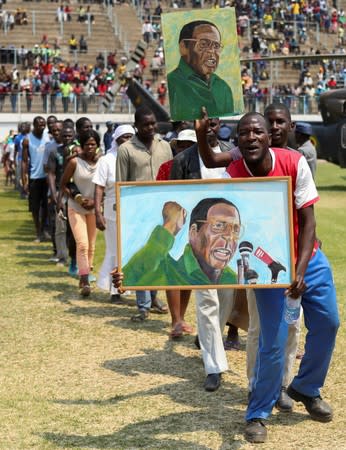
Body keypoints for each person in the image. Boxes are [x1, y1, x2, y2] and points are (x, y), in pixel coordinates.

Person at [195, 109, 339, 444]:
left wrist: (299, 271)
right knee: (272, 343)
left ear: (269, 136)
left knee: (328, 322)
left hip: (308, 258)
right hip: (268, 266)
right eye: (244, 132)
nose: (251, 137)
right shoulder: (232, 175)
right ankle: (258, 413)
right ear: (239, 140)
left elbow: (309, 222)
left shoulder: (293, 162)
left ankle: (306, 387)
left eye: (257, 131)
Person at [116, 106, 171, 321]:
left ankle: (154, 296)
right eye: (145, 124)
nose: (150, 127)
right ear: (136, 126)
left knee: (158, 253)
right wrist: (124, 212)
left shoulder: (165, 146)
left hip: (162, 209)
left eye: (153, 123)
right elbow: (121, 183)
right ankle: (143, 305)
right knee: (141, 254)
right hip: (137, 210)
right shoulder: (126, 149)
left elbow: (172, 175)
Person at [93, 125, 135, 303]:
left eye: (130, 137)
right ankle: (114, 290)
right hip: (111, 209)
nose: (127, 140)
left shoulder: (135, 156)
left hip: (133, 210)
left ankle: (131, 287)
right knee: (114, 249)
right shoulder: (106, 160)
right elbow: (99, 188)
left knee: (129, 249)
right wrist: (97, 212)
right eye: (124, 137)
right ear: (116, 139)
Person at [57, 130, 100, 297]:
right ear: (82, 146)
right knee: (82, 244)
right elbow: (63, 184)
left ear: (97, 146)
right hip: (76, 207)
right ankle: (85, 279)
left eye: (93, 144)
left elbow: (104, 186)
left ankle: (85, 273)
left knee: (92, 245)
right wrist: (78, 197)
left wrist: (96, 203)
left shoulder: (101, 162)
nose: (90, 147)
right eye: (87, 144)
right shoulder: (74, 162)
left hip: (94, 208)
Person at [167, 20, 234, 120]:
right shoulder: (172, 83)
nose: (212, 52)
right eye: (203, 44)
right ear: (183, 47)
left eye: (216, 46)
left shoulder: (223, 88)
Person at [21, 117, 51, 242]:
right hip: (34, 177)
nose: (42, 127)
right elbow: (24, 161)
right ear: (34, 125)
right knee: (35, 207)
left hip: (47, 178)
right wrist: (24, 179)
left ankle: (43, 229)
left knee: (46, 206)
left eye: (43, 125)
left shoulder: (48, 137)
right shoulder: (27, 140)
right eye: (39, 125)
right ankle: (38, 231)